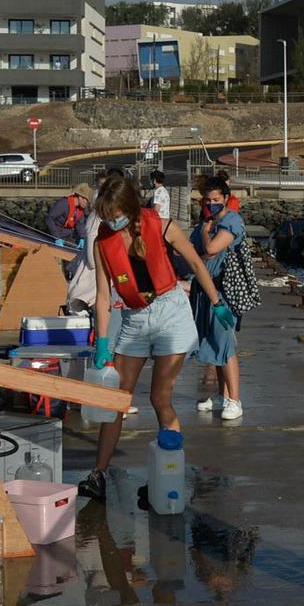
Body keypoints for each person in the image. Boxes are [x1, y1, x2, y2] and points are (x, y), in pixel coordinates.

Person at [79, 172, 234, 508]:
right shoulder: (102, 242)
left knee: (160, 397)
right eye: (105, 217)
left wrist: (217, 303)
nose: (110, 222)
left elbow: (195, 261)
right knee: (117, 400)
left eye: (115, 215)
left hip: (170, 313)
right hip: (135, 319)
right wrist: (102, 341)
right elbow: (104, 295)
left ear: (130, 207)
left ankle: (167, 479)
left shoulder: (163, 226)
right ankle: (98, 474)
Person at [181, 174, 247, 421]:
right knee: (214, 344)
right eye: (207, 200)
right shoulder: (206, 222)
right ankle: (222, 395)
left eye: (216, 199)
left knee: (226, 344)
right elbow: (193, 253)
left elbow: (209, 250)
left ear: (226, 199)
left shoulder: (231, 222)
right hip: (204, 291)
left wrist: (207, 233)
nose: (211, 204)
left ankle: (235, 400)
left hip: (224, 291)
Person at [46, 182, 94, 286]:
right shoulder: (63, 203)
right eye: (86, 200)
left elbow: (80, 224)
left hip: (69, 235)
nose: (87, 203)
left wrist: (82, 238)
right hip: (56, 234)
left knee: (75, 255)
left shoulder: (80, 210)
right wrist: (56, 237)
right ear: (80, 197)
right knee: (58, 258)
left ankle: (71, 279)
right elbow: (49, 219)